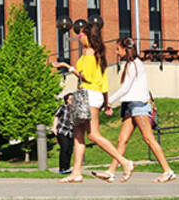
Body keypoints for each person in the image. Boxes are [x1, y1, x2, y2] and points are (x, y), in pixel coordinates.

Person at [52, 23, 135, 183]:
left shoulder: (89, 54)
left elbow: (86, 77)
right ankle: (76, 172)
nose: (79, 37)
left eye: (81, 35)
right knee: (78, 135)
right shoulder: (98, 54)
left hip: (87, 95)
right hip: (93, 95)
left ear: (89, 37)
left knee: (93, 135)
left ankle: (125, 162)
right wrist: (106, 102)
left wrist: (69, 68)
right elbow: (103, 83)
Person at [95, 37, 175, 183]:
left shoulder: (135, 64)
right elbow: (128, 90)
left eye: (118, 49)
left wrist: (108, 101)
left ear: (126, 49)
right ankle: (111, 172)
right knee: (122, 140)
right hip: (131, 106)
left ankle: (168, 171)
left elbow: (125, 88)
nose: (116, 52)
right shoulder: (131, 64)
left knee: (149, 139)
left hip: (139, 106)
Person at [51, 93, 75, 175]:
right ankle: (62, 168)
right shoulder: (63, 107)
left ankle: (67, 167)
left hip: (71, 132)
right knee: (64, 148)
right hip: (62, 130)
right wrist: (54, 127)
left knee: (69, 150)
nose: (72, 101)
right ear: (67, 100)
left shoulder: (76, 109)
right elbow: (56, 116)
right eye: (71, 99)